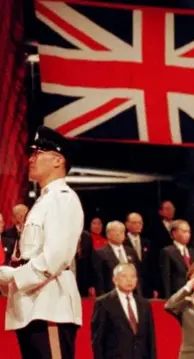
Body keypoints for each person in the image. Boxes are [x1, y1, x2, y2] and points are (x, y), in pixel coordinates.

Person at [0, 126, 84, 359]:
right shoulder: (44, 201)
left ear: (58, 160)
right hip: (33, 305)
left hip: (50, 306)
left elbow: (55, 258)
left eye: (38, 153)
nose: (31, 159)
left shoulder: (63, 199)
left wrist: (13, 276)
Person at [91, 263, 157, 359]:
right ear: (115, 280)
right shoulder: (104, 303)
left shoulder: (144, 304)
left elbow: (150, 339)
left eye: (133, 276)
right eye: (124, 276)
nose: (129, 280)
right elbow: (98, 340)